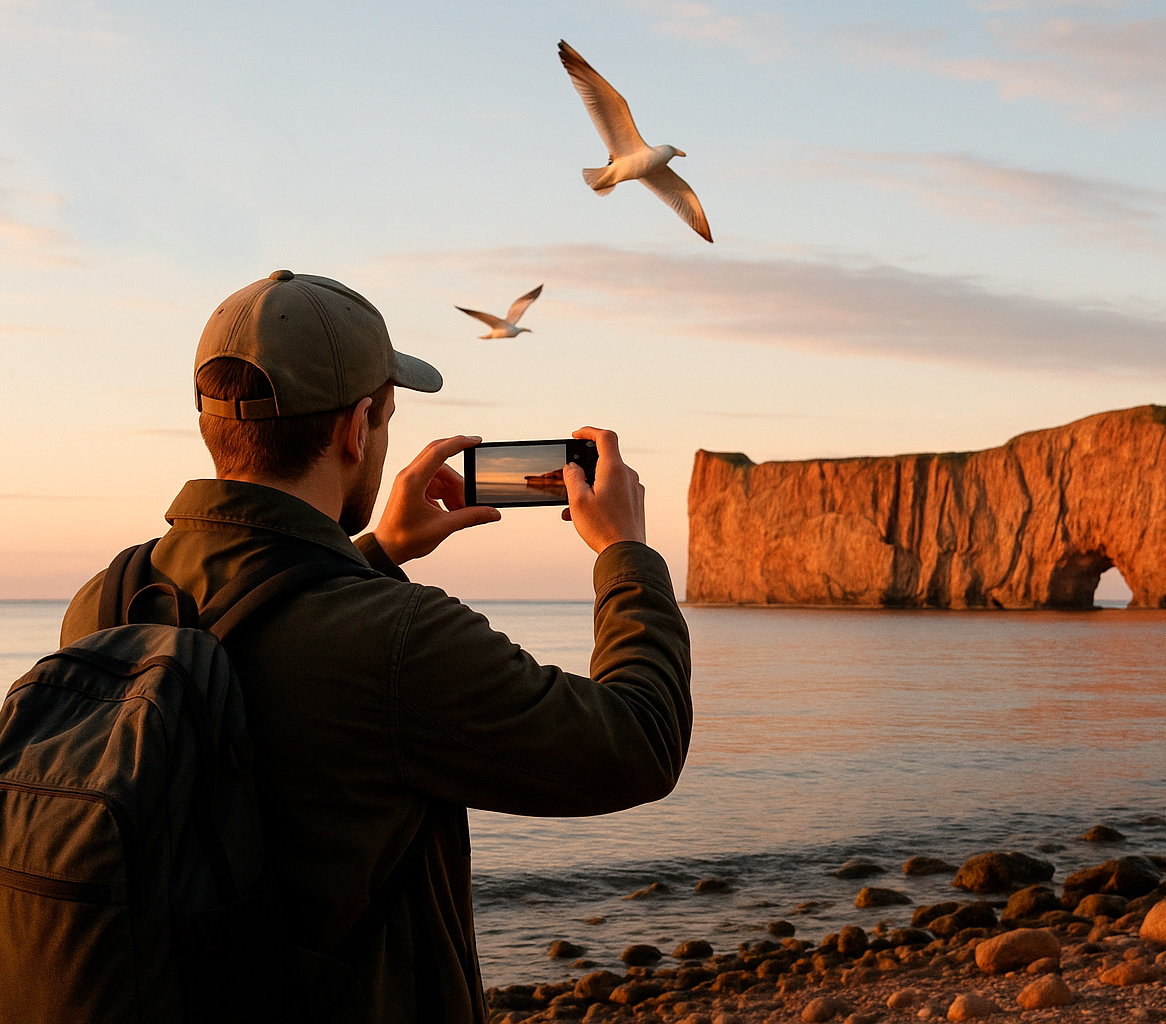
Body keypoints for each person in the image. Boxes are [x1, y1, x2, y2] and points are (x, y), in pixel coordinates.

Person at [58, 270, 693, 1023]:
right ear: (356, 430)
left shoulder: (105, 600)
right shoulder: (401, 639)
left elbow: (266, 648)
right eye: (386, 421)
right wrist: (625, 554)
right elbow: (638, 741)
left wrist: (371, 553)